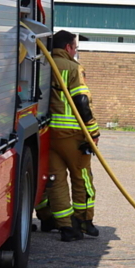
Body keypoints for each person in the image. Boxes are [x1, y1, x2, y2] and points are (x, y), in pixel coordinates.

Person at [36, 30, 102, 242]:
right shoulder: (73, 68)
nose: (76, 52)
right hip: (73, 134)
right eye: (75, 48)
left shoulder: (40, 63)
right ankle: (83, 221)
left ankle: (66, 227)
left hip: (48, 134)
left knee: (56, 180)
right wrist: (93, 131)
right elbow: (81, 102)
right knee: (81, 176)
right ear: (68, 48)